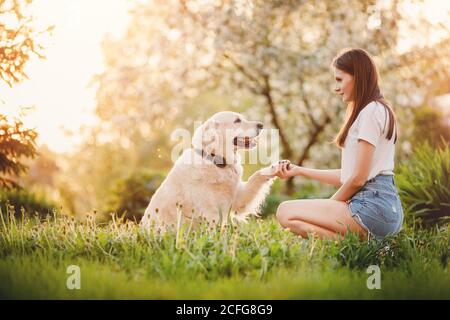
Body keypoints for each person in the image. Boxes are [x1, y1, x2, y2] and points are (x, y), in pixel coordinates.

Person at [274, 48, 404, 240]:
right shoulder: (376, 110)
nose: (336, 88)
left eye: (339, 79)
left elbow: (359, 179)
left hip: (372, 207)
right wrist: (299, 170)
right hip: (382, 207)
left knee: (285, 211)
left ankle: (365, 247)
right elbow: (350, 175)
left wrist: (330, 206)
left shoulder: (371, 111)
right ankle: (365, 247)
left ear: (357, 77)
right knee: (293, 219)